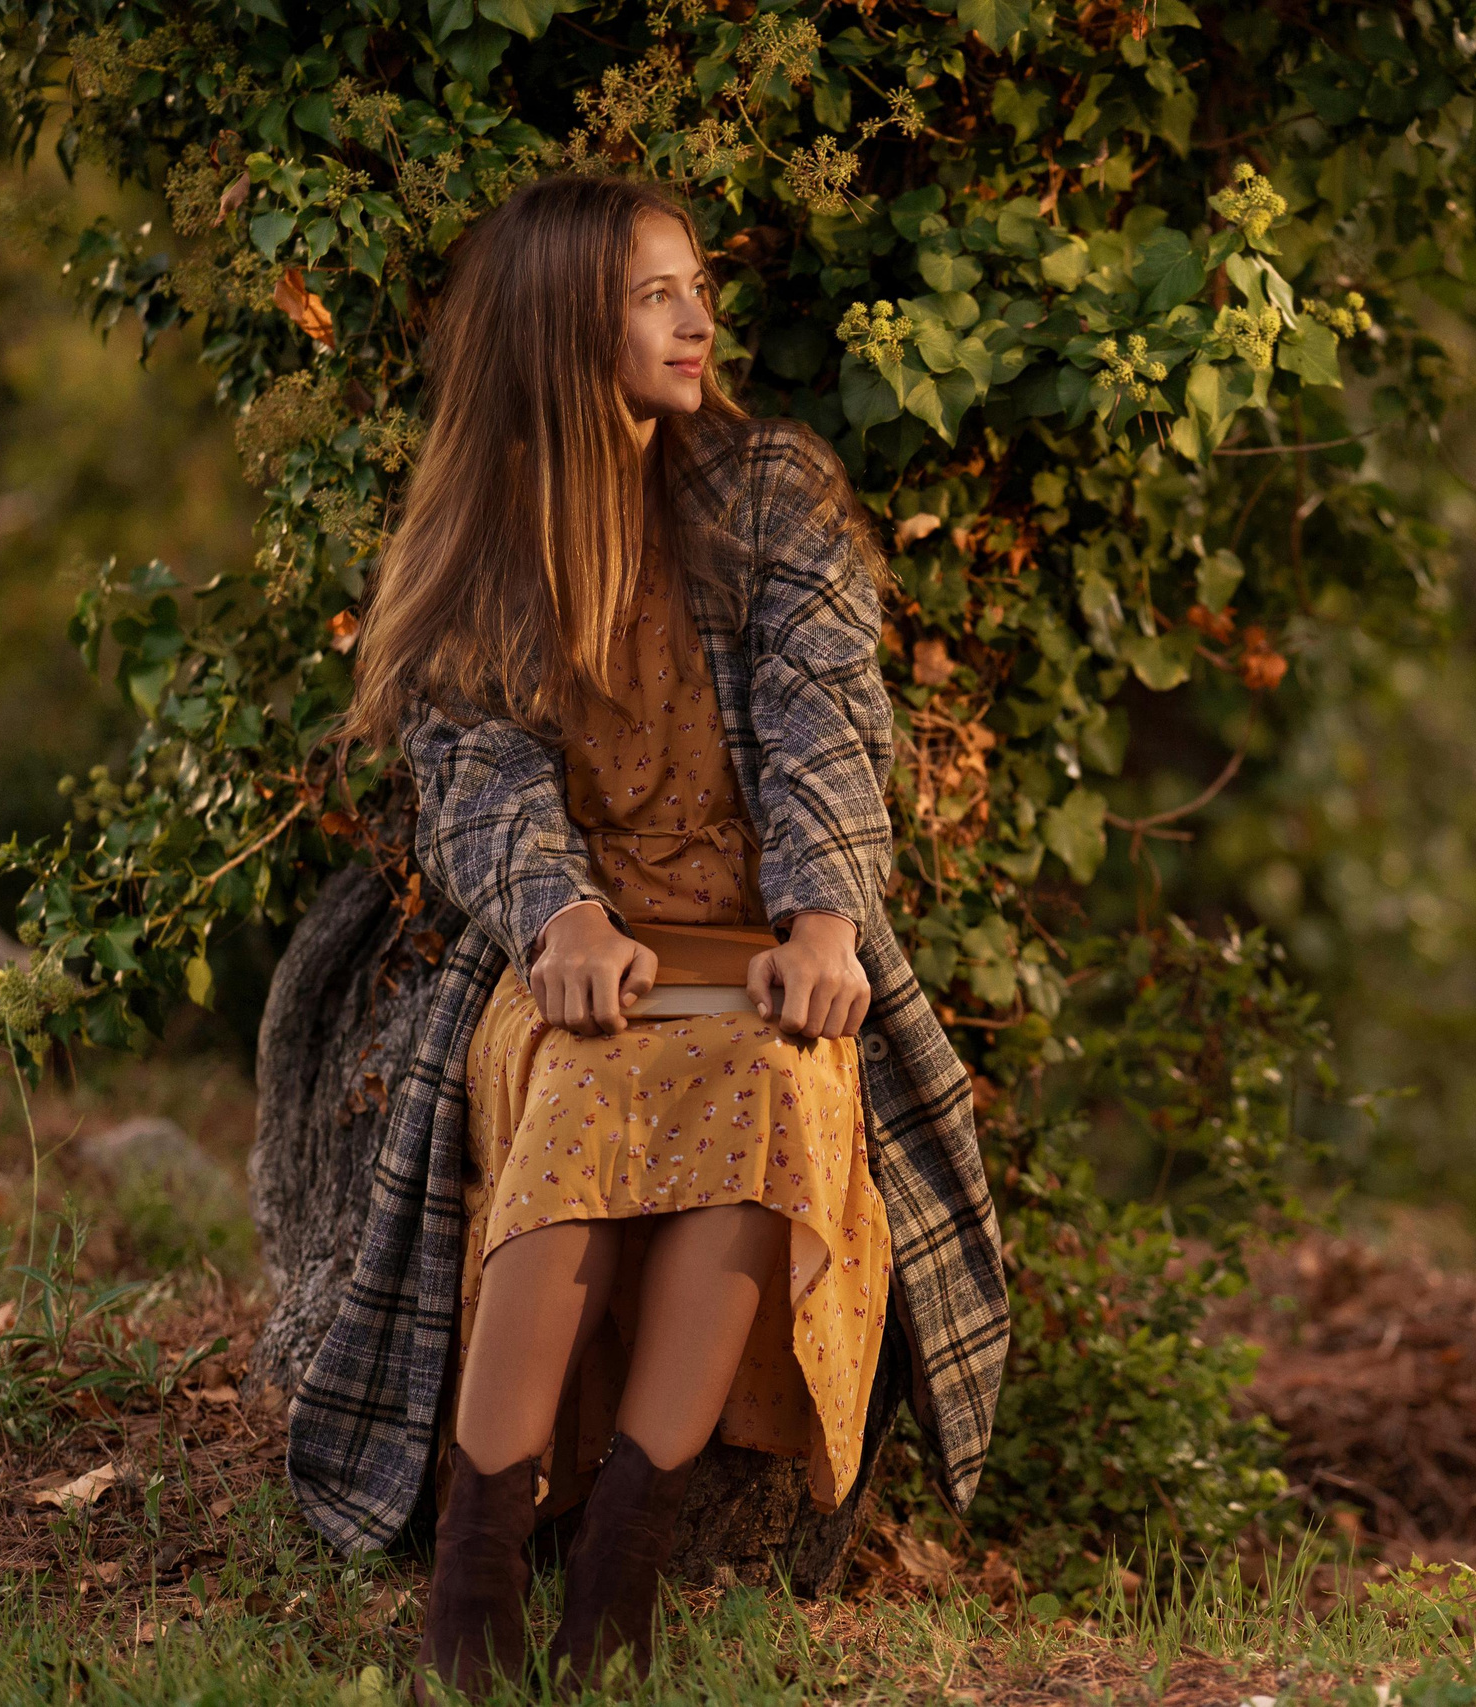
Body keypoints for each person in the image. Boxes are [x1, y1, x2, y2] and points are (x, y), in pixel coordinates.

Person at [282, 174, 1009, 1701]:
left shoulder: (768, 492)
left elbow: (827, 713)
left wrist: (821, 922)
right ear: (563, 327)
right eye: (652, 296)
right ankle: (470, 1592)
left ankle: (619, 1574)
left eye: (697, 285)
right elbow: (473, 771)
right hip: (574, 958)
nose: (696, 320)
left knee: (782, 1085)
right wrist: (562, 915)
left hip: (757, 948)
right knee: (583, 1090)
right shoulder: (491, 540)